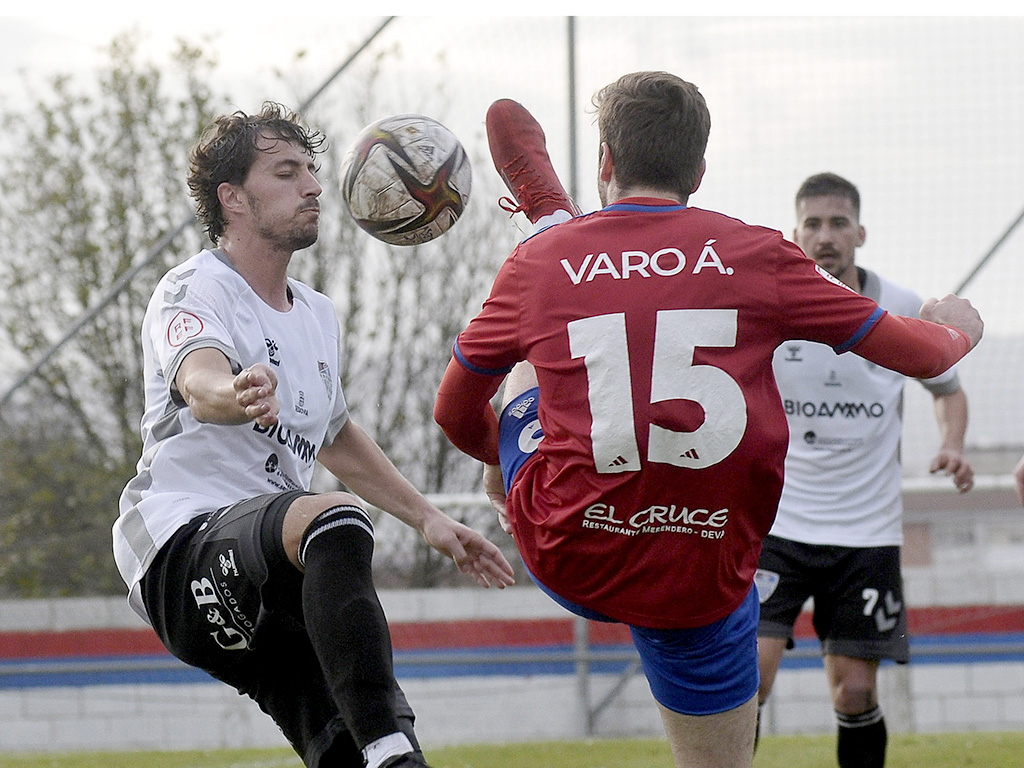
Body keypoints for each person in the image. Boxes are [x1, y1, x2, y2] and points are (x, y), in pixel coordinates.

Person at [432, 72, 983, 768]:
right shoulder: (761, 256)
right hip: (704, 564)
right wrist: (958, 329)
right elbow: (925, 352)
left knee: (530, 358)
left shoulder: (536, 268)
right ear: (699, 168)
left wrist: (507, 475)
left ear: (605, 161)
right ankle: (553, 221)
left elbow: (452, 411)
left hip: (570, 548)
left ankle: (552, 217)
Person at [113, 102, 515, 768]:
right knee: (334, 521)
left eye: (311, 170)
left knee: (354, 746)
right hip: (181, 548)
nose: (313, 186)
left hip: (273, 575)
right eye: (287, 172)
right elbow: (199, 384)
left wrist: (428, 520)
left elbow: (335, 435)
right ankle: (387, 744)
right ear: (233, 198)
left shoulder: (317, 315)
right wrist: (236, 394)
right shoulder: (194, 287)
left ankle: (388, 752)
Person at [753, 172, 974, 768]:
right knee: (751, 681)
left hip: (867, 535)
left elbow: (947, 388)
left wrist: (952, 443)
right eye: (814, 224)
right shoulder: (774, 308)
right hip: (778, 525)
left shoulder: (899, 306)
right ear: (795, 233)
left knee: (854, 691)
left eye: (838, 223)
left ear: (861, 232)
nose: (826, 236)